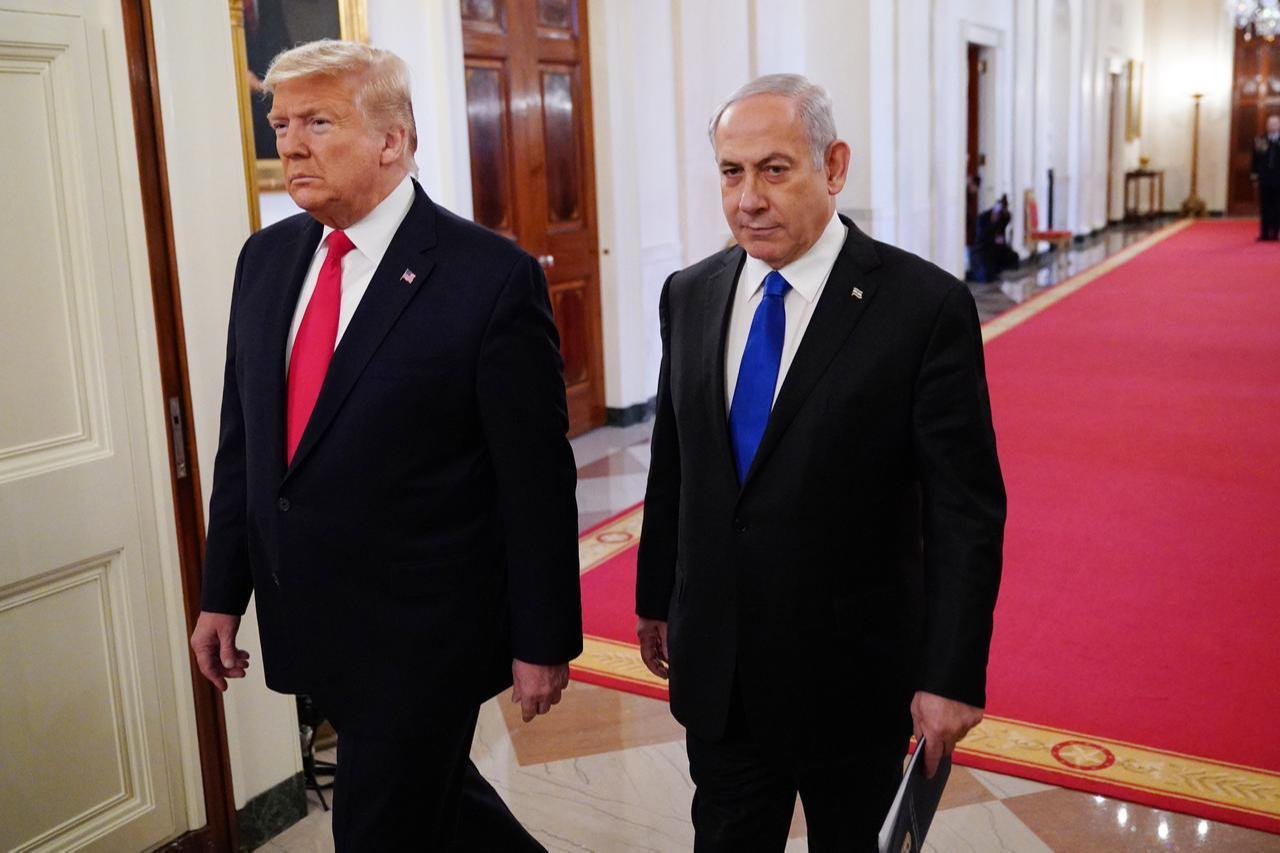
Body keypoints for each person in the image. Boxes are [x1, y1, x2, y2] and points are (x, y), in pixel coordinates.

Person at [189, 40, 581, 850]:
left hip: (426, 630)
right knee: (440, 804)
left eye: (318, 122)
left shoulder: (488, 277)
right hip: (312, 613)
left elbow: (535, 482)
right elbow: (246, 445)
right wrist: (223, 589)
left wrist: (542, 638)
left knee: (377, 825)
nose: (289, 144)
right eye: (281, 123)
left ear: (391, 140)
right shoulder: (266, 260)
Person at [635, 74, 1006, 851]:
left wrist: (951, 673)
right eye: (731, 173)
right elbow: (676, 459)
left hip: (853, 684)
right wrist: (655, 597)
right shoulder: (690, 293)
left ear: (833, 166)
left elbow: (964, 509)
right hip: (723, 677)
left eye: (775, 169)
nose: (748, 199)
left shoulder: (921, 307)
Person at [969, 193, 1019, 283]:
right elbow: (982, 237)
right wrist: (992, 222)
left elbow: (1005, 222)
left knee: (1012, 256)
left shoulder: (1002, 218)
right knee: (985, 272)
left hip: (995, 248)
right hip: (982, 249)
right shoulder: (984, 218)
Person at [1252, 114, 1280, 241]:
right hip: (1265, 179)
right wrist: (1255, 178)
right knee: (1265, 207)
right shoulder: (1260, 140)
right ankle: (1264, 233)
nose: (1272, 126)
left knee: (1277, 207)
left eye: (1274, 124)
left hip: (1278, 179)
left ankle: (1275, 233)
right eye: (1270, 124)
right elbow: (1255, 161)